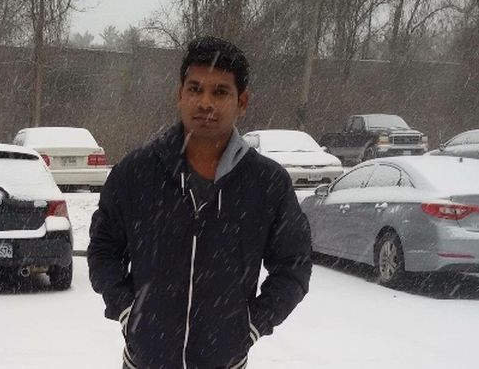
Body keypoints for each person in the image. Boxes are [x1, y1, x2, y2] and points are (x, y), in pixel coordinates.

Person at [88, 36, 312, 369]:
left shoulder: (267, 183)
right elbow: (103, 249)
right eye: (195, 89)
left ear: (242, 101)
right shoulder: (136, 172)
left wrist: (251, 325)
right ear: (180, 95)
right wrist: (127, 311)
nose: (205, 102)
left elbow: (294, 265)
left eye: (220, 92)